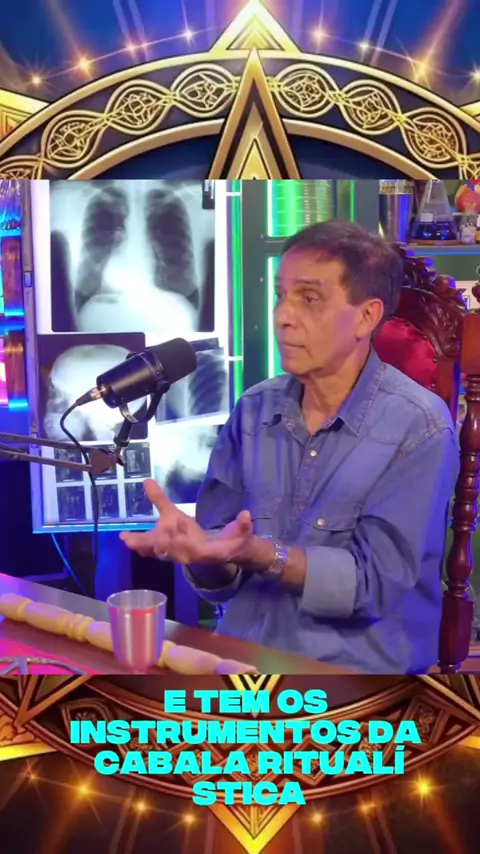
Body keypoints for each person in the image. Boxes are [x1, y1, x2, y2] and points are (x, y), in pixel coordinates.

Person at [121, 220, 458, 675]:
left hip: (348, 678)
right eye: (281, 295)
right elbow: (221, 574)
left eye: (309, 299)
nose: (283, 315)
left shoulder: (419, 426)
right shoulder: (254, 409)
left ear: (366, 316)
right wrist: (203, 555)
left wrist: (263, 554)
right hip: (238, 662)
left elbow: (374, 584)